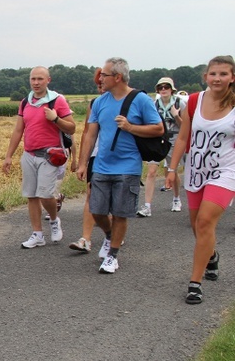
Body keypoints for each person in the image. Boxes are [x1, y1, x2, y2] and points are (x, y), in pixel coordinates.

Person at [77, 57, 164, 274]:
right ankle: (109, 236)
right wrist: (83, 163)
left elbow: (158, 129)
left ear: (117, 77)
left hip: (128, 166)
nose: (100, 79)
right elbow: (90, 134)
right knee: (97, 210)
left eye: (104, 75)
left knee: (120, 213)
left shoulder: (141, 99)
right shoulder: (99, 102)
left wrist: (131, 127)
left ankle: (113, 255)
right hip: (102, 166)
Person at [165, 55, 235, 304]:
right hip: (196, 170)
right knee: (196, 225)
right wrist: (172, 170)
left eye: (223, 74)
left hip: (226, 172)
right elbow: (183, 138)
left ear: (232, 78)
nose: (217, 78)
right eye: (213, 73)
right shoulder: (194, 101)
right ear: (206, 76)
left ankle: (195, 283)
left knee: (205, 221)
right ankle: (212, 255)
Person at [2, 66, 76, 248]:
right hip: (29, 154)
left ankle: (53, 219)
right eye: (33, 79)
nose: (36, 82)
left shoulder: (57, 101)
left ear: (48, 80)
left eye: (40, 79)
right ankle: (37, 234)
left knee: (45, 195)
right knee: (31, 196)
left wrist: (56, 119)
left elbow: (72, 128)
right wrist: (8, 156)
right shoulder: (25, 103)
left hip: (50, 155)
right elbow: (19, 130)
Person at [137, 77, 187, 216]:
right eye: (161, 87)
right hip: (158, 140)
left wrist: (176, 115)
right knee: (151, 171)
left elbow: (185, 127)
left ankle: (176, 199)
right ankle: (147, 206)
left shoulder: (180, 103)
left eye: (166, 87)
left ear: (172, 89)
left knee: (173, 170)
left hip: (174, 138)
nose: (163, 90)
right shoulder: (154, 104)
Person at [69, 68, 106, 253]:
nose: (100, 87)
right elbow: (87, 132)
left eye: (103, 82)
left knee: (113, 198)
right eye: (98, 84)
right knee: (91, 195)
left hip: (118, 158)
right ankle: (86, 239)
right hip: (96, 156)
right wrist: (82, 162)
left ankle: (113, 234)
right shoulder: (95, 103)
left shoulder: (128, 102)